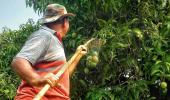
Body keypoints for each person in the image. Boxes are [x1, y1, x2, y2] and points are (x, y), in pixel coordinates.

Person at [11, 3, 87, 100]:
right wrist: (38, 79)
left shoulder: (55, 41)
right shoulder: (44, 35)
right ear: (64, 21)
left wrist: (78, 55)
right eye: (68, 20)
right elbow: (18, 62)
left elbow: (62, 75)